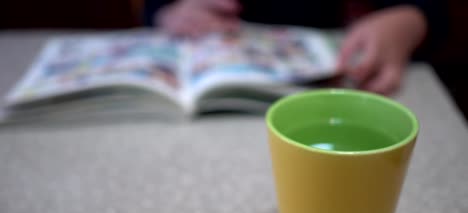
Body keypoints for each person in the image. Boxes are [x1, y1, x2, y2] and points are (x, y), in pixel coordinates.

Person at [143, 0, 448, 94]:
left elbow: (433, 11)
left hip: (330, 76)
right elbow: (153, 6)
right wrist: (167, 11)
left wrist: (411, 20)